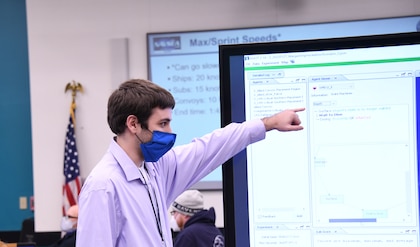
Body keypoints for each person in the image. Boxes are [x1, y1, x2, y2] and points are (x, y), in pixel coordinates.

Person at [76, 79, 304, 247]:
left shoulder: (154, 170)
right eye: (163, 123)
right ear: (133, 124)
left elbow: (210, 147)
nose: (170, 132)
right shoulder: (104, 186)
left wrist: (268, 123)